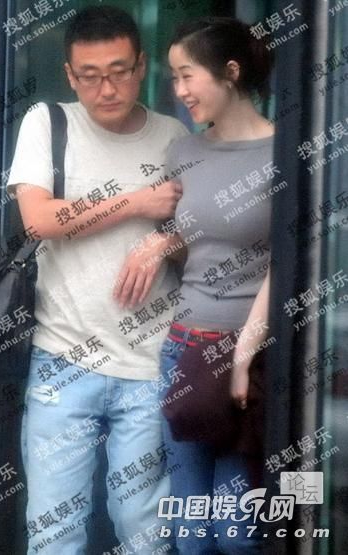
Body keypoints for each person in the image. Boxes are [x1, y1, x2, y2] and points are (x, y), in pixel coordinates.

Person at [7, 5, 188, 554]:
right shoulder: (47, 122)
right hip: (63, 359)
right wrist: (137, 202)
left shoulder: (174, 137)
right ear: (69, 75)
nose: (106, 89)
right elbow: (39, 219)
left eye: (118, 72)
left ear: (142, 66)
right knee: (54, 531)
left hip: (150, 362)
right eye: (89, 76)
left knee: (144, 531)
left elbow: (198, 238)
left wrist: (164, 241)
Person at [114, 16, 275, 554]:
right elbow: (201, 242)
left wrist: (244, 355)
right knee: (190, 531)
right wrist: (162, 242)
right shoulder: (185, 152)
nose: (179, 91)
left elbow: (286, 264)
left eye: (187, 76)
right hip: (185, 351)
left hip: (250, 359)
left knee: (238, 534)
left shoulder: (285, 155)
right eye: (174, 78)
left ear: (230, 72)